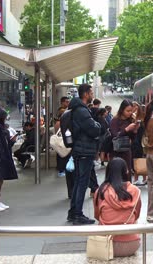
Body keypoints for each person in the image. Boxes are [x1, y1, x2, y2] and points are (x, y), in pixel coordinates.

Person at [67, 84, 102, 225]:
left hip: (79, 149)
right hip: (84, 150)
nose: (93, 94)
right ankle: (77, 214)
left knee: (78, 182)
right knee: (82, 183)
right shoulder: (82, 110)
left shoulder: (77, 109)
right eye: (91, 92)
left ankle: (73, 212)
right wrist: (98, 125)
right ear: (86, 94)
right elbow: (93, 129)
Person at [93, 158, 142, 257]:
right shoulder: (135, 191)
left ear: (108, 172)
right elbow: (136, 215)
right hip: (131, 244)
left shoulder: (100, 191)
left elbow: (97, 216)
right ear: (126, 171)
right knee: (133, 218)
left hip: (105, 243)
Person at [110, 99, 140, 180]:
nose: (130, 113)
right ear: (122, 109)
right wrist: (127, 129)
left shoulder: (130, 120)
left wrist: (135, 130)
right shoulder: (115, 120)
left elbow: (132, 138)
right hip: (116, 152)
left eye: (131, 111)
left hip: (126, 151)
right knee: (116, 175)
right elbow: (115, 135)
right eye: (128, 111)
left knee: (126, 174)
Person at [132, 104, 146, 185]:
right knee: (137, 159)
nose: (134, 109)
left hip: (140, 142)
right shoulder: (132, 118)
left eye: (136, 108)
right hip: (136, 141)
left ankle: (142, 178)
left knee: (139, 159)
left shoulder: (141, 119)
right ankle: (138, 178)